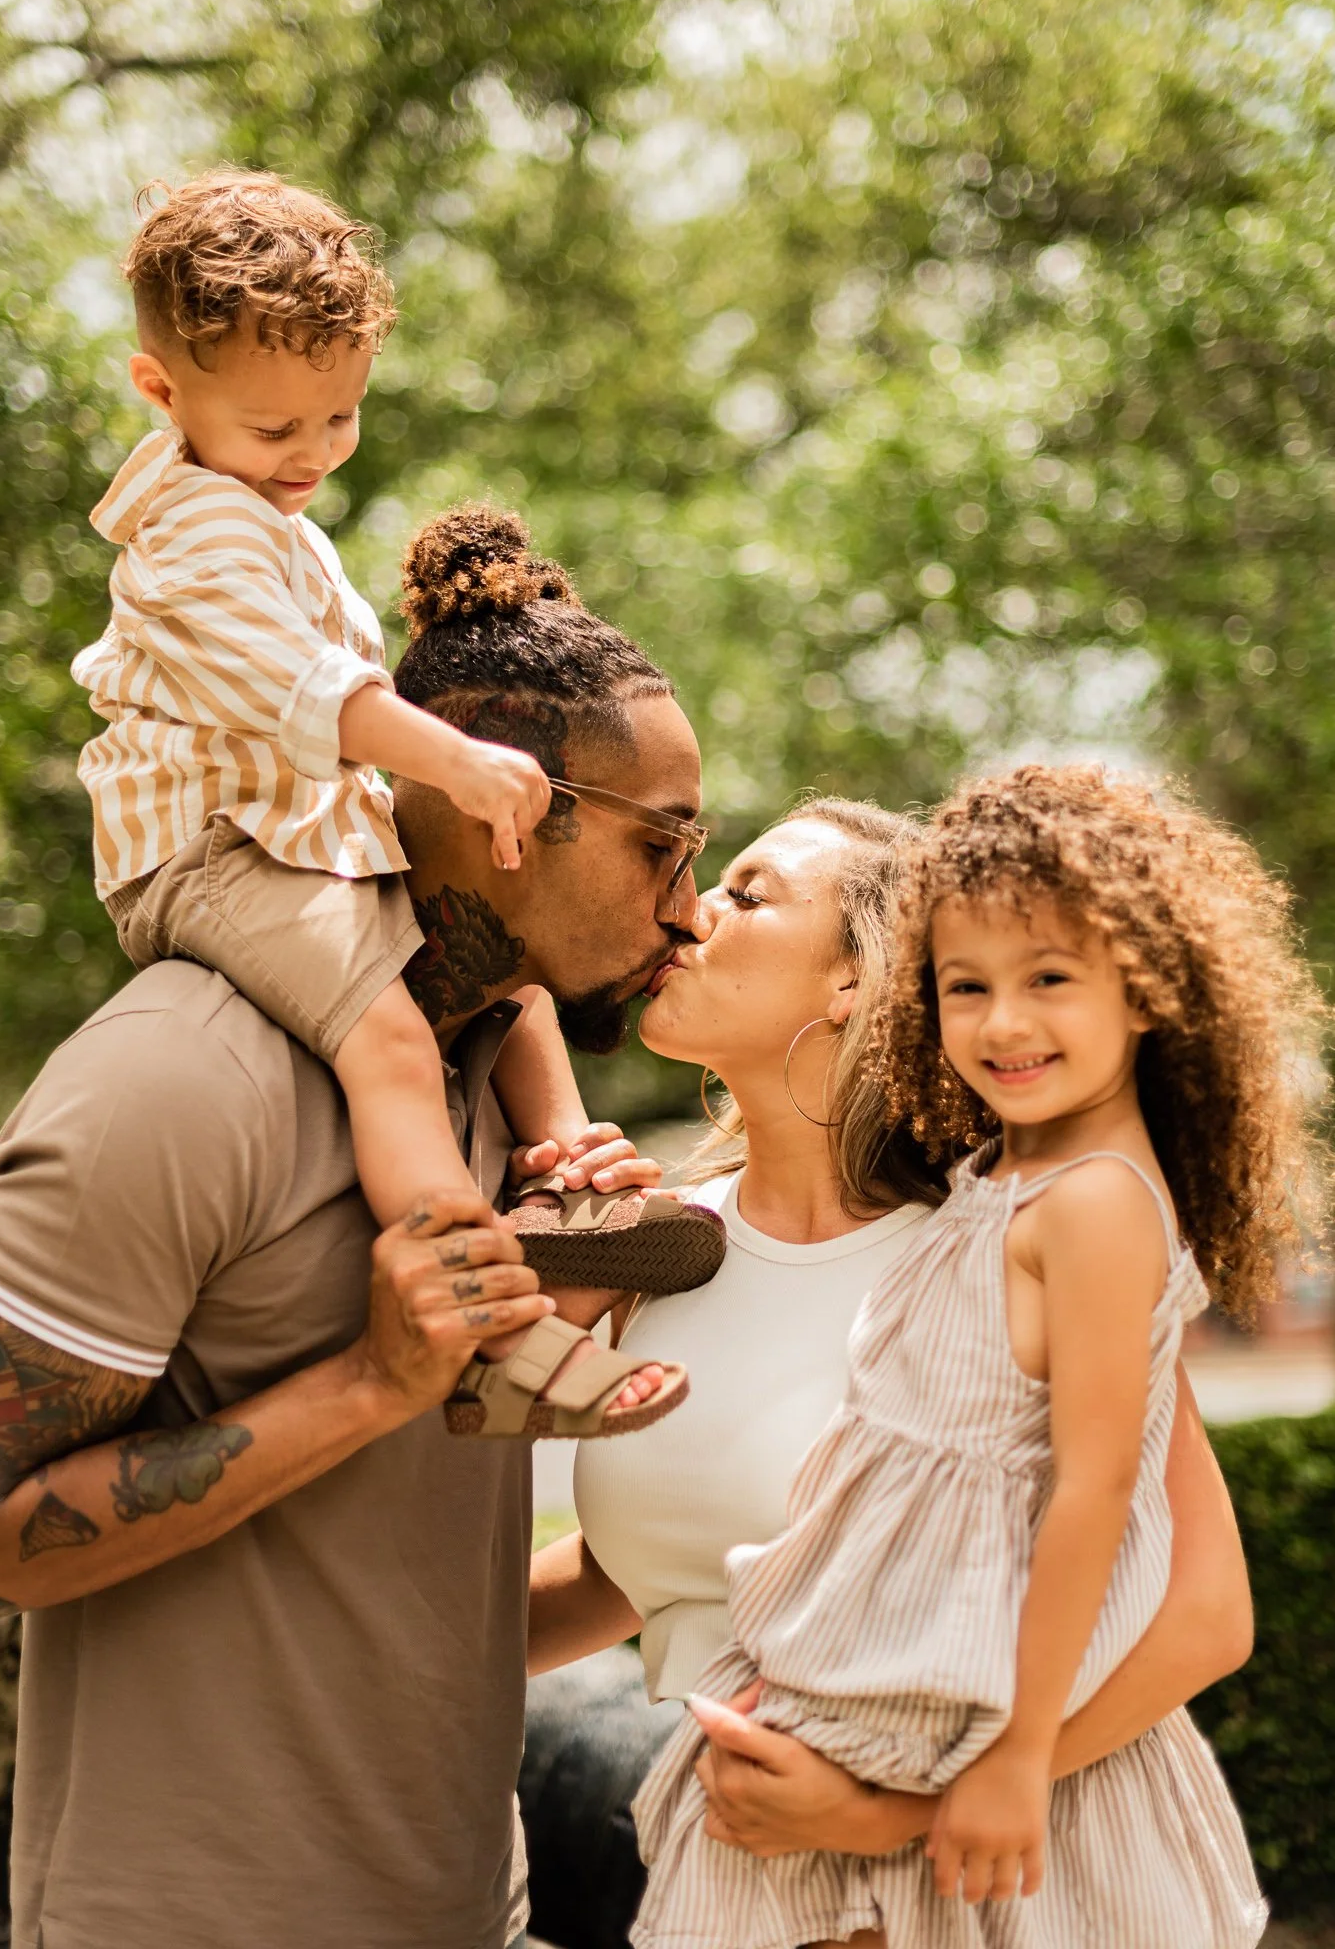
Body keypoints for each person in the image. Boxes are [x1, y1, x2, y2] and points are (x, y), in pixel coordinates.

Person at [0, 510, 706, 1949]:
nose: (685, 910)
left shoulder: (496, 1090)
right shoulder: (180, 1080)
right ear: (508, 818)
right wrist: (369, 1385)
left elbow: (409, 1584)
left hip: (468, 1909)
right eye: (662, 846)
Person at [527, 794, 1265, 1949]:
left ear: (853, 980)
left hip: (1009, 1884)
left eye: (749, 892)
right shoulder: (659, 1247)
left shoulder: (1004, 1243)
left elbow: (1202, 1614)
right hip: (751, 1886)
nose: (688, 910)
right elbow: (664, 1566)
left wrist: (898, 1814)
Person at [70, 171, 698, 1427]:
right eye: (275, 429)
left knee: (498, 959)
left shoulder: (264, 513)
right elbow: (304, 690)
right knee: (392, 1042)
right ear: (162, 392)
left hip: (297, 835)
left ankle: (563, 1171)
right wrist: (450, 759)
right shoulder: (196, 535)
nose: (310, 455)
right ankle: (484, 1329)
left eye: (340, 418)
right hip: (213, 852)